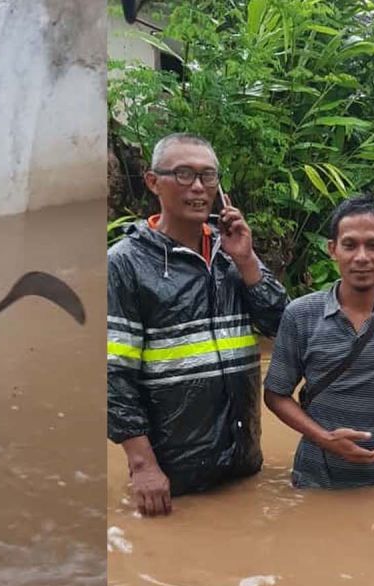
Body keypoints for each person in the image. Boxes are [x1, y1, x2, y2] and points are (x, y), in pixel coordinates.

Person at [107, 133, 288, 515]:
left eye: (208, 177)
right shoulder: (126, 263)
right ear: (153, 182)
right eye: (184, 174)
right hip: (175, 475)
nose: (198, 187)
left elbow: (282, 326)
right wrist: (143, 465)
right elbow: (114, 374)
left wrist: (248, 261)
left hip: (244, 462)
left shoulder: (232, 253)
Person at [264, 195, 374, 489]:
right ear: (332, 249)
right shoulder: (301, 314)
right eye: (349, 245)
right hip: (315, 482)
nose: (361, 257)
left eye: (372, 245)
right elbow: (275, 395)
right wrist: (325, 439)